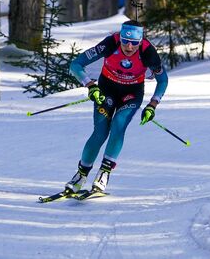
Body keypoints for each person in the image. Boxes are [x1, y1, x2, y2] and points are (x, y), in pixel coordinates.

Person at [65, 20, 168, 193]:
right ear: (119, 37)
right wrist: (90, 85)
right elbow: (76, 65)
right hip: (106, 90)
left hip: (132, 94)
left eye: (134, 43)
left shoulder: (148, 52)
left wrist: (152, 105)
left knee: (119, 125)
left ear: (140, 41)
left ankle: (104, 172)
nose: (129, 46)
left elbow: (163, 80)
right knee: (100, 132)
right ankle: (81, 175)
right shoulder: (110, 43)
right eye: (125, 41)